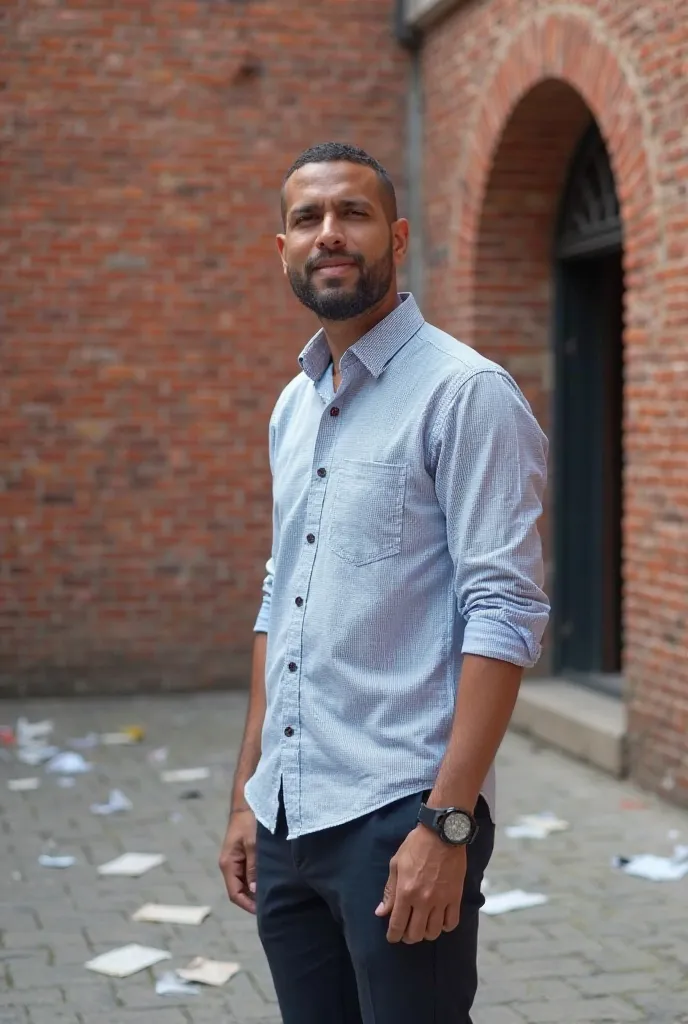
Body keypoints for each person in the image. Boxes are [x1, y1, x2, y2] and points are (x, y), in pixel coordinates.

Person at [219, 141, 550, 1024]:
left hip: (399, 815)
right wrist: (250, 793)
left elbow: (505, 612)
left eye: (352, 215)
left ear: (395, 237)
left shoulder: (465, 394)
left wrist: (448, 826)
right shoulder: (294, 406)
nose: (330, 234)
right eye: (307, 219)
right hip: (289, 815)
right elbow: (277, 596)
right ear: (281, 248)